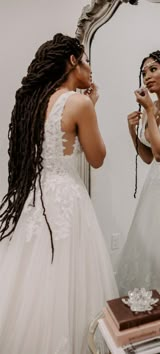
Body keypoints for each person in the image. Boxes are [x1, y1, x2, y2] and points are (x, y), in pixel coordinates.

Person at [0, 33, 118, 354]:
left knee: (35, 280)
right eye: (86, 60)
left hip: (38, 199)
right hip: (67, 199)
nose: (90, 68)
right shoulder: (79, 102)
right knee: (70, 278)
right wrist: (91, 108)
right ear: (72, 61)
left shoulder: (34, 102)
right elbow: (97, 158)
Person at [116, 50, 160, 296]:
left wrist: (150, 111)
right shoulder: (150, 109)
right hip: (152, 189)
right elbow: (148, 156)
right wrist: (133, 131)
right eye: (144, 72)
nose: (147, 77)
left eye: (153, 69)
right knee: (146, 251)